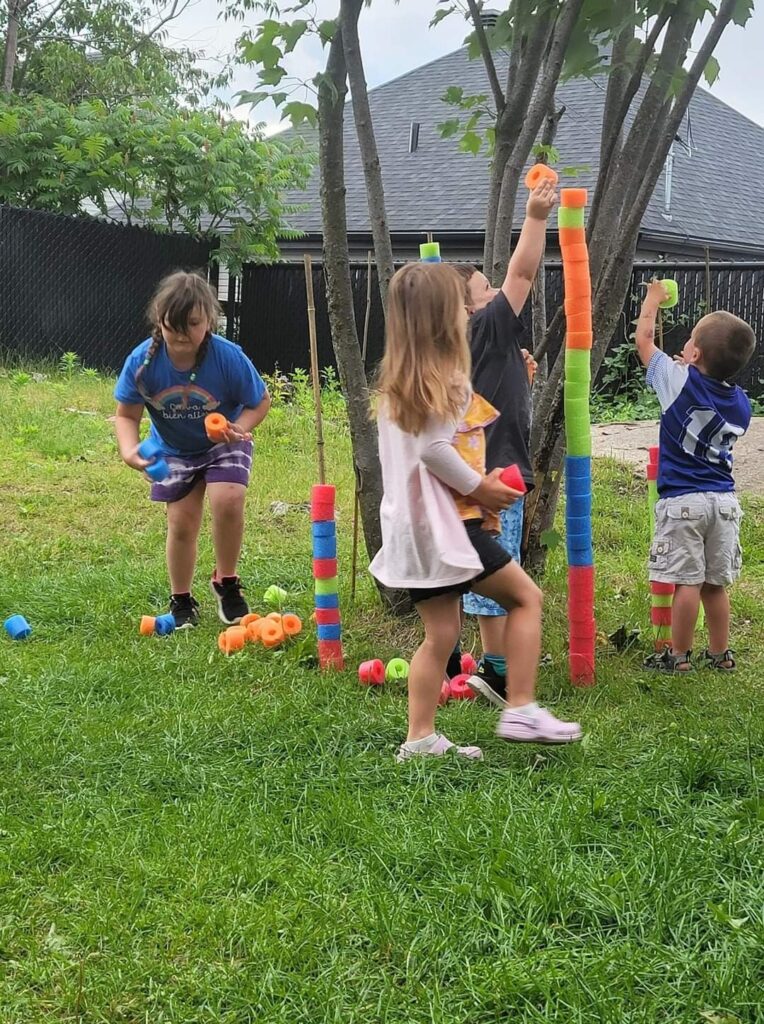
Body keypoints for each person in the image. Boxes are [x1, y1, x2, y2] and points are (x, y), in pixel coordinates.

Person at [370, 262, 582, 761]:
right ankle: (521, 706)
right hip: (446, 529)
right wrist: (481, 490)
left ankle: (419, 738)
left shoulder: (396, 388)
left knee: (440, 634)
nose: (470, 310)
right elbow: (434, 451)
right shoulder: (445, 382)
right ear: (446, 318)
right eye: (461, 304)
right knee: (526, 598)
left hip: (408, 532)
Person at [449, 177, 555, 706]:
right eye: (483, 292)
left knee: (489, 562)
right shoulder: (488, 326)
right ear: (468, 310)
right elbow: (523, 271)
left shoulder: (473, 343)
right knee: (500, 568)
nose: (494, 295)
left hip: (483, 467)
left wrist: (521, 379)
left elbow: (486, 397)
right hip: (497, 474)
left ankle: (473, 661)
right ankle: (495, 670)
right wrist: (535, 216)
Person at [114, 271, 271, 628]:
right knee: (182, 522)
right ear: (158, 317)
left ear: (210, 321)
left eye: (194, 324)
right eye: (174, 326)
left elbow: (260, 401)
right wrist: (129, 450)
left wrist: (238, 430)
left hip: (223, 442)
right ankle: (181, 601)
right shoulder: (142, 363)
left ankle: (226, 582)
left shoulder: (227, 357)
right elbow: (126, 415)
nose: (183, 334)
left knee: (228, 499)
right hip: (173, 448)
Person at [637, 280, 755, 671]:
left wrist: (653, 300)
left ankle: (678, 656)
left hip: (682, 502)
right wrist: (686, 369)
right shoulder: (741, 404)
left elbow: (643, 342)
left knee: (685, 583)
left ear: (696, 352)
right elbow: (706, 392)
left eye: (689, 340)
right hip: (723, 502)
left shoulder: (676, 379)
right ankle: (721, 655)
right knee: (713, 585)